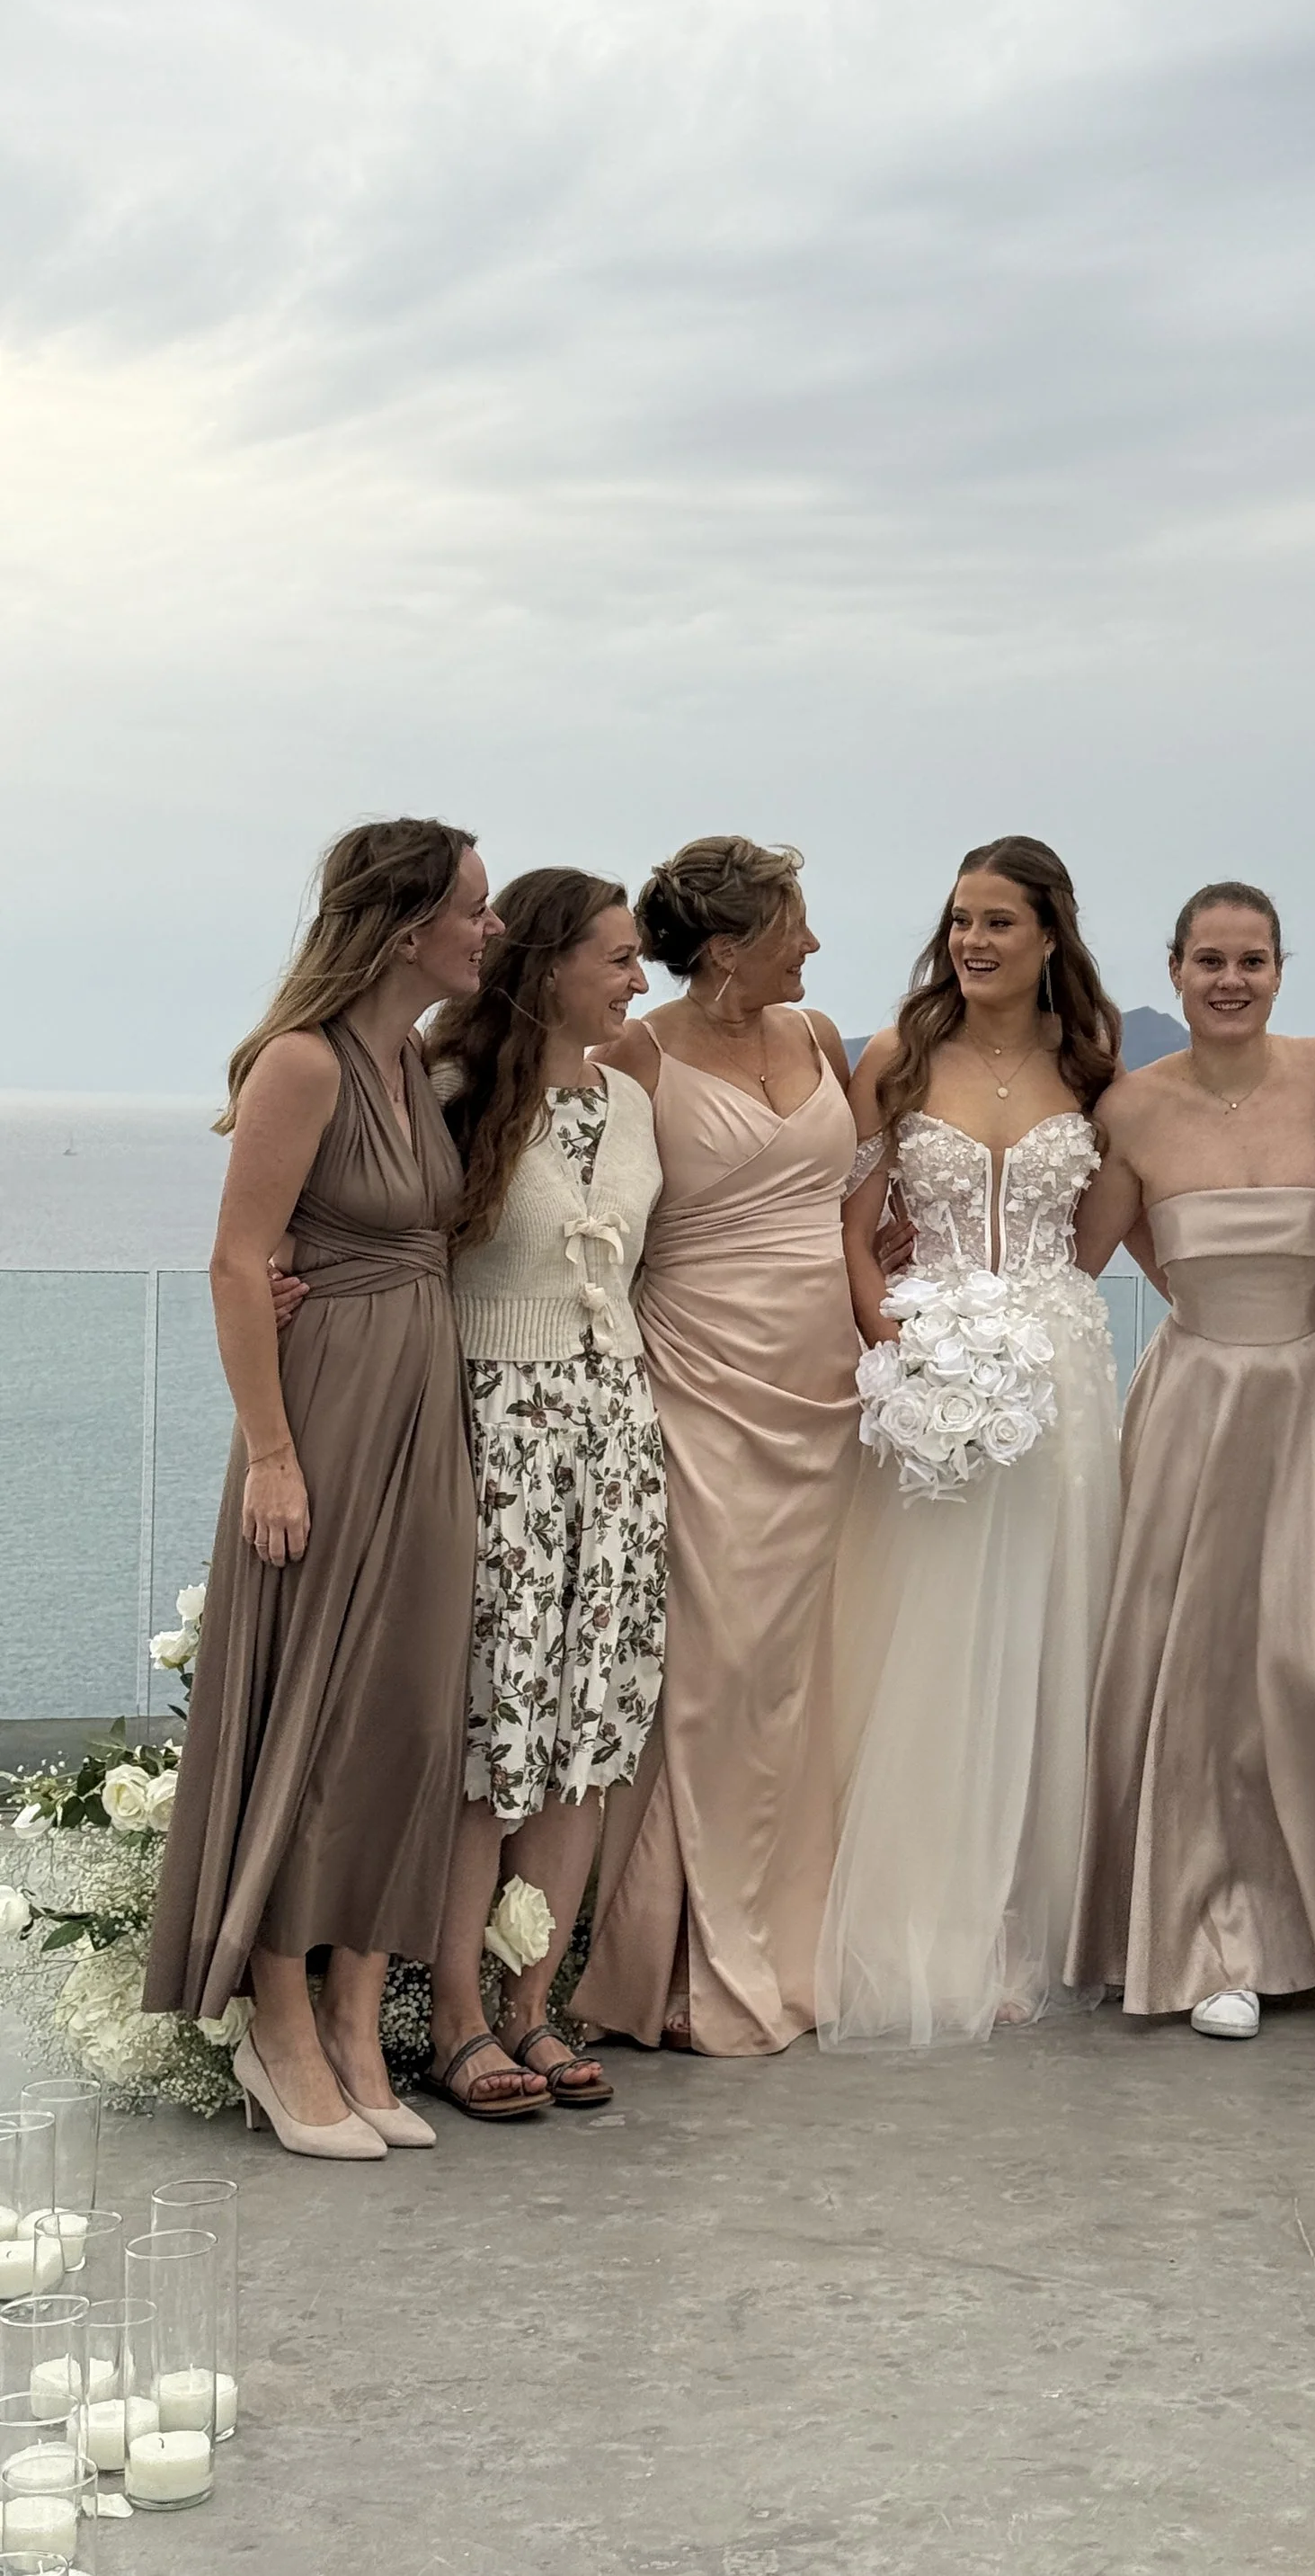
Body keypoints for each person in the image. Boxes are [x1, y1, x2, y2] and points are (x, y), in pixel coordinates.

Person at [144, 818, 498, 2159]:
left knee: (403, 1708)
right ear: (407, 924)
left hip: (422, 1399)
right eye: (474, 907)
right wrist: (274, 1452)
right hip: (331, 1413)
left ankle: (358, 2023)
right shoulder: (304, 1062)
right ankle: (276, 2024)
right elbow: (239, 1264)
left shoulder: (412, 1059)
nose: (493, 927)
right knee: (317, 1702)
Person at [1067, 881, 1315, 2039]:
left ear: (1280, 969)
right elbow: (1102, 1245)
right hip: (1195, 1395)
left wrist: (1298, 1317)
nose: (1230, 980)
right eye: (1209, 960)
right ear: (1173, 971)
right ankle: (1203, 1929)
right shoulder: (1132, 1104)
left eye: (1252, 960)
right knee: (1201, 1662)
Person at [815, 835, 1123, 2050]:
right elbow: (847, 1221)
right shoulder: (897, 1056)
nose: (976, 943)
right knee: (930, 1640)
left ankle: (1029, 1919)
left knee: (1049, 1635)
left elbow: (1094, 1238)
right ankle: (928, 1919)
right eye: (961, 921)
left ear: (1051, 933)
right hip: (923, 1371)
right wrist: (900, 1337)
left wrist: (1027, 1325)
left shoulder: (1092, 1066)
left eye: (1000, 921)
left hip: (1061, 1377)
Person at [572, 838, 861, 2056]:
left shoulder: (822, 1037)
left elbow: (853, 1211)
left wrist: (897, 1330)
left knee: (802, 1672)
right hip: (700, 1382)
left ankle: (796, 1933)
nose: (814, 943)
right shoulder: (634, 1054)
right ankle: (676, 1958)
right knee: (713, 1667)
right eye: (794, 923)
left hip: (831, 1392)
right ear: (730, 947)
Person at [419, 869, 669, 2119]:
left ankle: (536, 2005)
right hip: (493, 1435)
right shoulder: (452, 1092)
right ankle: (454, 2015)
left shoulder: (630, 1101)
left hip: (616, 1437)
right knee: (490, 1725)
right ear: (549, 963)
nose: (640, 980)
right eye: (619, 958)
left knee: (585, 1729)